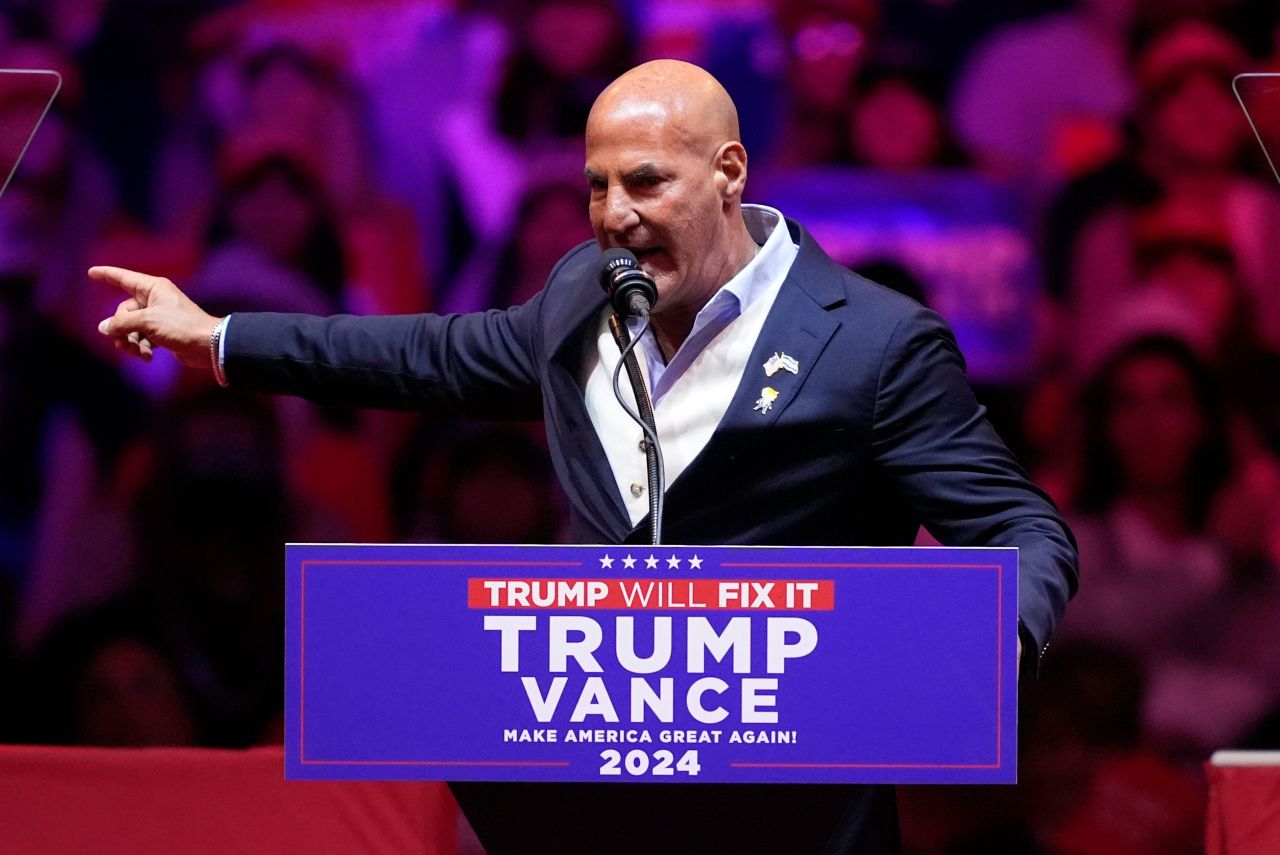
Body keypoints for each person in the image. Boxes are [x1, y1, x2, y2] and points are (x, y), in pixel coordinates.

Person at [92, 60, 1077, 855]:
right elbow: (431, 356)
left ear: (729, 172)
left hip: (794, 816)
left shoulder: (872, 341)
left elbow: (1020, 528)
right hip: (589, 805)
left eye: (644, 181)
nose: (612, 214)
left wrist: (985, 648)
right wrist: (222, 338)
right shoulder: (583, 292)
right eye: (595, 186)